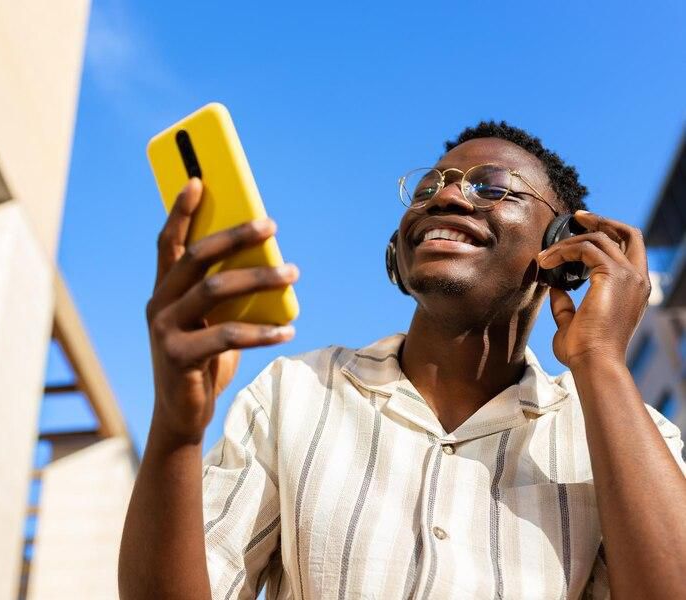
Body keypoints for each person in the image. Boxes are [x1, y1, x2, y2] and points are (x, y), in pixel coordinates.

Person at [118, 122, 686, 599]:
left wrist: (600, 358)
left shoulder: (626, 437)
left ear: (563, 250)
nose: (445, 196)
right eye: (427, 188)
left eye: (492, 187)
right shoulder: (296, 392)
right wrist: (175, 429)